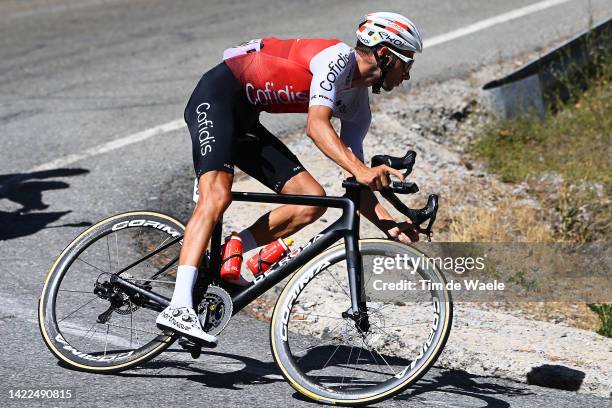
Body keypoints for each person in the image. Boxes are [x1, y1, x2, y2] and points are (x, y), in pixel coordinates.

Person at [156, 12, 424, 346]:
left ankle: (231, 249)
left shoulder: (358, 106)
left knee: (310, 200)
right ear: (385, 55)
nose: (408, 73)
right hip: (217, 97)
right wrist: (362, 170)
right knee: (218, 194)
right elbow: (316, 126)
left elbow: (355, 176)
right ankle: (178, 306)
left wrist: (389, 223)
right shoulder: (336, 59)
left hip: (247, 119)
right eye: (406, 62)